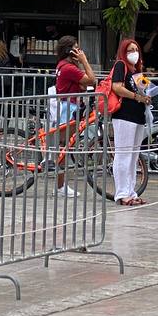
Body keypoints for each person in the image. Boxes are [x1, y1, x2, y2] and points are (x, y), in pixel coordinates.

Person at [108, 38, 152, 206]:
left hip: (138, 115)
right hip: (124, 115)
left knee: (133, 156)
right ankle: (122, 193)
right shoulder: (121, 65)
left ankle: (131, 191)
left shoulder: (137, 70)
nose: (134, 53)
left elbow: (145, 89)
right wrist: (136, 97)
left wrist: (146, 96)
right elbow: (117, 87)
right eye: (130, 50)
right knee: (123, 154)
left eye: (136, 50)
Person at [54, 36, 96, 198]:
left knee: (64, 146)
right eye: (76, 48)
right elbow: (91, 80)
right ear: (69, 51)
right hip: (69, 108)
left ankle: (60, 185)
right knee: (63, 147)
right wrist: (84, 61)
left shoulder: (64, 65)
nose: (79, 51)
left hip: (68, 106)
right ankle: (60, 187)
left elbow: (83, 84)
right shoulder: (68, 68)